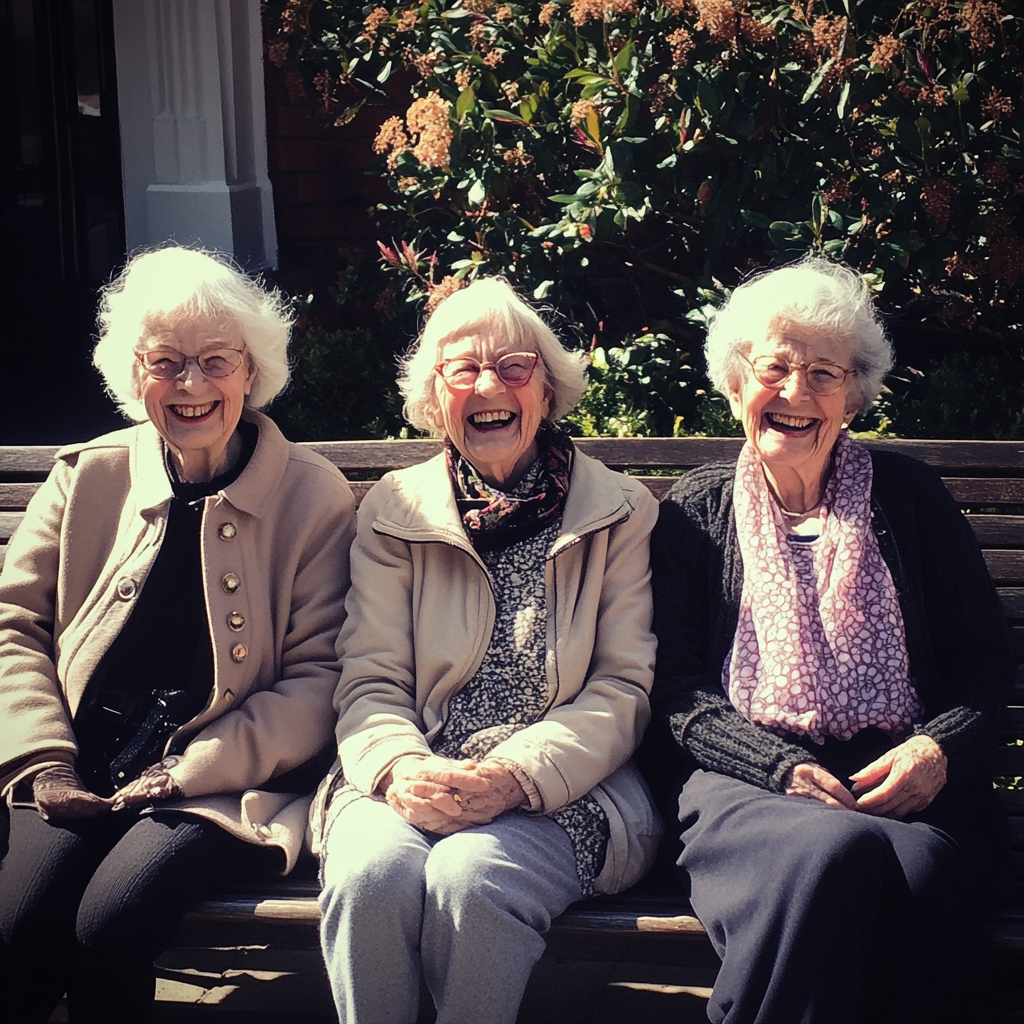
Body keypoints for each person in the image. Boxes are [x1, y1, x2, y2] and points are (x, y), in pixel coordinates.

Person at [647, 256, 1013, 1024]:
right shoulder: (695, 511)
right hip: (746, 781)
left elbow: (985, 666)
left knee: (915, 876)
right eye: (775, 367)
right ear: (738, 381)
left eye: (823, 373)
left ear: (853, 394)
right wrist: (772, 763)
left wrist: (936, 750)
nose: (796, 393)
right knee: (830, 854)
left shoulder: (911, 498)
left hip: (908, 782)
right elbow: (676, 686)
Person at [0, 246, 356, 1023]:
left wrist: (187, 772)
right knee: (16, 926)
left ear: (251, 372)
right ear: (135, 377)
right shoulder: (88, 475)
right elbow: (13, 624)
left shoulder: (313, 497)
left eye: (216, 362)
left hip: (223, 785)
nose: (191, 386)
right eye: (166, 363)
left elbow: (320, 677)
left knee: (109, 924)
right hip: (79, 765)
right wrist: (46, 762)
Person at [313, 277, 661, 1024]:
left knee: (474, 876)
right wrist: (401, 767)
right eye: (463, 369)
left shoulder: (620, 511)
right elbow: (369, 679)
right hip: (415, 770)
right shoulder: (393, 511)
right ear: (436, 399)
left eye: (513, 366)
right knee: (371, 874)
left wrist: (514, 775)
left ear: (546, 389)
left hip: (563, 788)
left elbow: (623, 689)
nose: (488, 385)